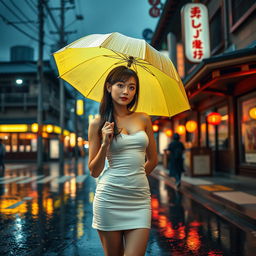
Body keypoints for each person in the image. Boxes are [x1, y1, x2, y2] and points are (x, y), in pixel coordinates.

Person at [88, 65, 158, 256]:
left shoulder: (143, 118)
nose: (126, 91)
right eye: (121, 85)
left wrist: (135, 177)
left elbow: (153, 159)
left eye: (132, 87)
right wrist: (104, 145)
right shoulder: (97, 123)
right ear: (109, 87)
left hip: (139, 200)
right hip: (109, 199)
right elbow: (94, 171)